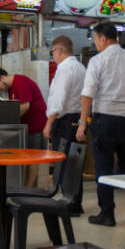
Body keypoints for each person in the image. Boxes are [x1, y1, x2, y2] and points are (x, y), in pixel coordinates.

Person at [76, 21, 125, 227]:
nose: (96, 44)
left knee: (104, 167)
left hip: (105, 120)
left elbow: (87, 94)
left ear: (102, 38)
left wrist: (82, 123)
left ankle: (107, 213)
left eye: (96, 39)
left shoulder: (97, 61)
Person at [42, 35, 86, 214]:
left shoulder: (64, 69)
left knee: (66, 162)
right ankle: (75, 201)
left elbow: (58, 102)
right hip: (78, 119)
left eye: (53, 52)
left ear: (59, 50)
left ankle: (69, 202)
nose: (53, 55)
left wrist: (48, 124)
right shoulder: (81, 68)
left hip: (66, 121)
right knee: (75, 162)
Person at [0, 67, 48, 187]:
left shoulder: (20, 82)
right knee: (28, 159)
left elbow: (25, 106)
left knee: (33, 159)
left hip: (36, 125)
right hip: (27, 126)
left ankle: (29, 191)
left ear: (2, 78)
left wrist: (8, 120)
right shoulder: (11, 88)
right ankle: (26, 188)